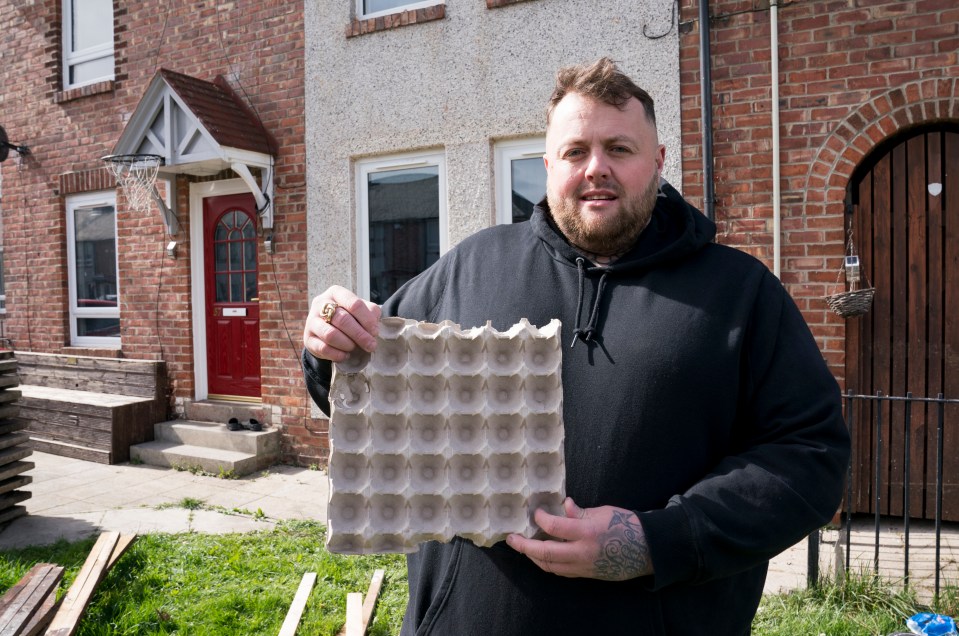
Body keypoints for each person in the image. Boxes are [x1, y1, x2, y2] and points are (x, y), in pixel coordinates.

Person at [302, 57, 850, 635]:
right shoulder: (473, 264)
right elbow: (357, 378)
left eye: (620, 148)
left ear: (659, 161)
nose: (596, 169)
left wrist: (654, 542)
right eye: (574, 151)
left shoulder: (739, 293)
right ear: (547, 165)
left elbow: (809, 458)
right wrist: (326, 344)